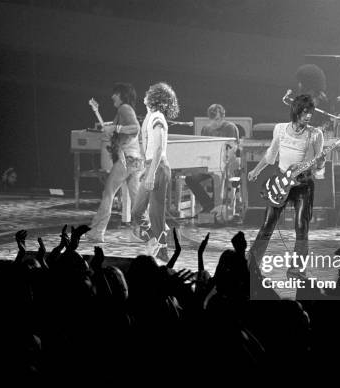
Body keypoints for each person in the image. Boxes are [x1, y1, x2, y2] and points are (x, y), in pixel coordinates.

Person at [247, 94, 325, 276]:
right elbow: (270, 155)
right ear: (297, 111)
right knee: (268, 223)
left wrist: (321, 161)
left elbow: (319, 167)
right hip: (281, 182)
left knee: (301, 226)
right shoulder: (280, 129)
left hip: (303, 185)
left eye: (310, 113)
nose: (308, 116)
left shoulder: (315, 134)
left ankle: (297, 268)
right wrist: (256, 171)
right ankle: (252, 263)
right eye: (305, 112)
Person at [131, 82, 179, 261]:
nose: (145, 95)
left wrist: (151, 173)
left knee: (155, 215)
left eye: (148, 93)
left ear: (154, 98)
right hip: (152, 166)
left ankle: (163, 253)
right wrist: (146, 168)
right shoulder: (151, 116)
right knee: (138, 212)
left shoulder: (157, 117)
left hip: (158, 168)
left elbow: (159, 148)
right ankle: (156, 240)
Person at [89, 83, 143, 242]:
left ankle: (98, 231)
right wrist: (112, 128)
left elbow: (135, 128)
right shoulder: (127, 110)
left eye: (115, 94)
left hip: (127, 159)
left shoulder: (124, 108)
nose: (113, 97)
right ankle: (139, 233)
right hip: (135, 160)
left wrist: (115, 128)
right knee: (136, 199)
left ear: (122, 95)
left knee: (108, 193)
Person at [185, 104, 241, 214]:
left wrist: (224, 161)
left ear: (223, 117)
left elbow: (233, 148)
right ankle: (208, 205)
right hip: (210, 164)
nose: (216, 122)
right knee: (190, 178)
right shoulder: (206, 129)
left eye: (218, 119)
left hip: (227, 165)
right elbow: (204, 147)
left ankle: (216, 208)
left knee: (217, 176)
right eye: (213, 119)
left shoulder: (230, 127)